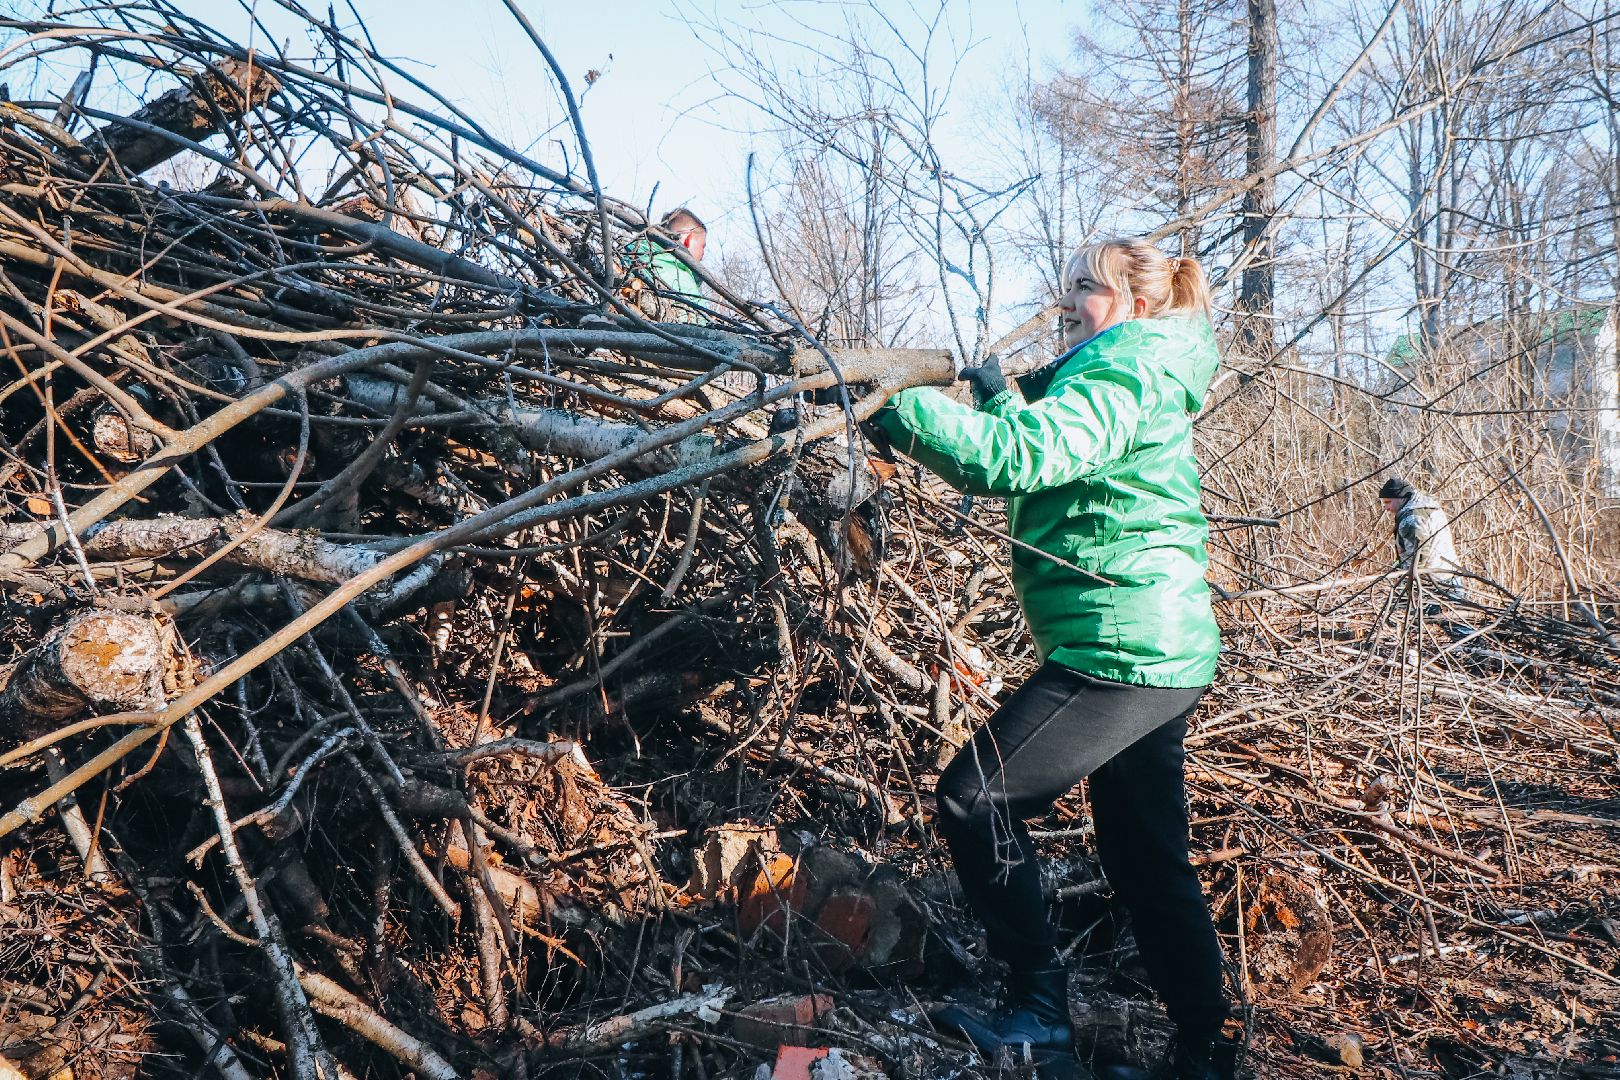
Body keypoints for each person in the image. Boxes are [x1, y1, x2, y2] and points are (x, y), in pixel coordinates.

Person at [872, 238, 1234, 1080]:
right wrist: (1004, 404)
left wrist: (891, 409)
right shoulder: (1130, 364)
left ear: (1136, 303)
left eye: (1088, 288)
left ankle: (1039, 1014)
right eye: (1069, 285)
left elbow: (1022, 461)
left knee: (973, 798)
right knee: (1144, 852)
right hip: (1156, 645)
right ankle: (1205, 1054)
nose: (1070, 301)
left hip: (1122, 646)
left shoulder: (1126, 370)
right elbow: (1062, 461)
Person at [1378, 476, 1466, 605]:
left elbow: (1418, 557)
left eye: (1388, 502)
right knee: (1457, 620)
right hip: (1449, 574)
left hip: (1434, 583)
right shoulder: (1429, 506)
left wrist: (1408, 586)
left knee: (1430, 622)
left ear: (1400, 499)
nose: (1386, 507)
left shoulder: (1411, 520)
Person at [625, 207, 707, 320]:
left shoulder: (629, 254)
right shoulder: (681, 277)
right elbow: (700, 326)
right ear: (689, 239)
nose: (703, 255)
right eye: (703, 246)